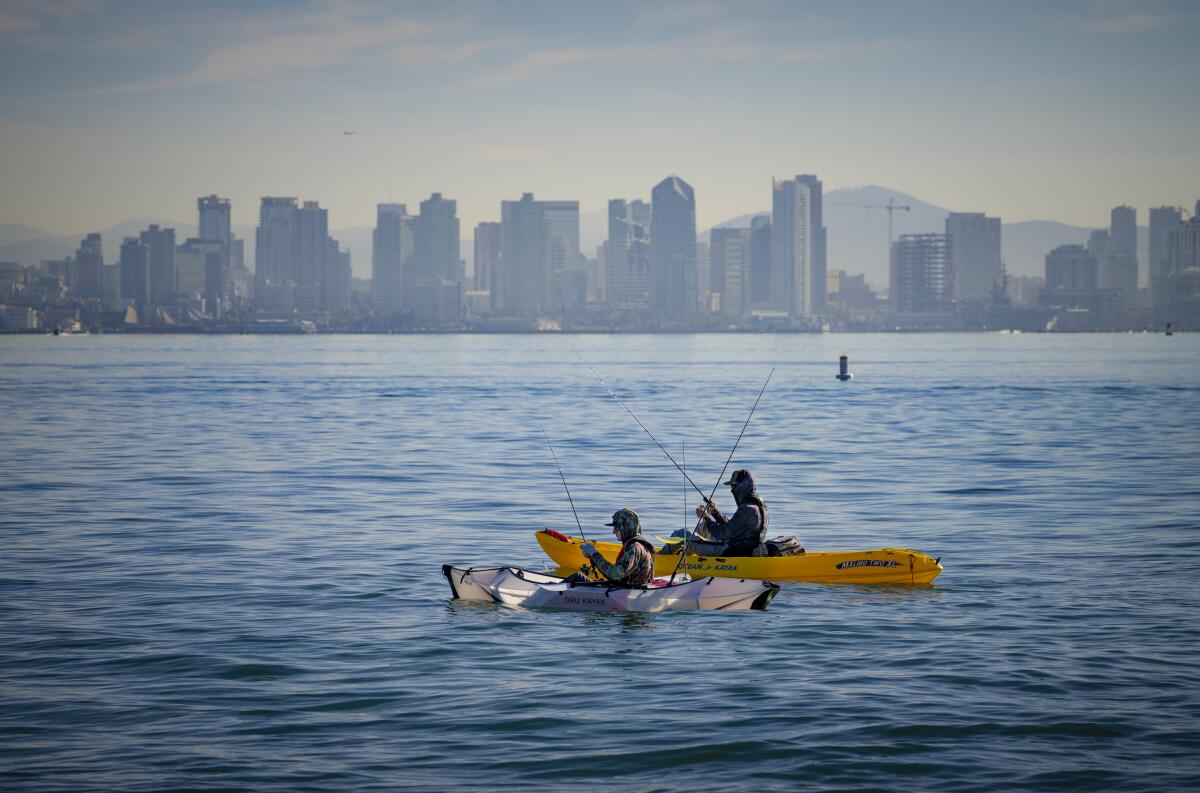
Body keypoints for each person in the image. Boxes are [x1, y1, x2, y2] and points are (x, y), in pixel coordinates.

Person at [663, 469, 768, 557]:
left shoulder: (747, 509)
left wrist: (706, 518)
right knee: (702, 526)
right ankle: (685, 556)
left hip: (729, 550)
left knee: (680, 535)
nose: (731, 490)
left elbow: (722, 534)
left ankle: (658, 560)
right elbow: (733, 527)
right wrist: (715, 512)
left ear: (741, 487)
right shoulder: (758, 505)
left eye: (733, 486)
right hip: (741, 547)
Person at [573, 508, 656, 587]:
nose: (613, 532)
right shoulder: (642, 545)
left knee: (577, 577)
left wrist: (593, 553)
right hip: (628, 590)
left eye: (616, 528)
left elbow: (615, 574)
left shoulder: (635, 548)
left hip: (624, 594)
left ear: (625, 528)